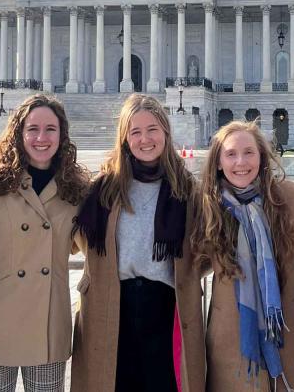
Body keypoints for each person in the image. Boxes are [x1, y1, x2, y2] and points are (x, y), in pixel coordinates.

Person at [0, 94, 90, 391]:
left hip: (47, 329)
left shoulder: (74, 189)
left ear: (62, 134)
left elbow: (88, 247)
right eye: (33, 129)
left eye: (50, 129)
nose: (41, 137)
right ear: (19, 133)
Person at [194, 120, 294, 392]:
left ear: (262, 157)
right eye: (231, 154)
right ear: (218, 162)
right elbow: (191, 265)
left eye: (249, 152)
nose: (240, 162)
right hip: (231, 345)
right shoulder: (208, 207)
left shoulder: (293, 198)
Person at [70, 94, 205, 392]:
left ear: (166, 133)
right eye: (135, 132)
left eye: (152, 129)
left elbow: (206, 248)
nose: (145, 139)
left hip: (167, 309)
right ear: (124, 138)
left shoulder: (188, 190)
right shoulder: (102, 189)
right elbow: (70, 236)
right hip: (112, 308)